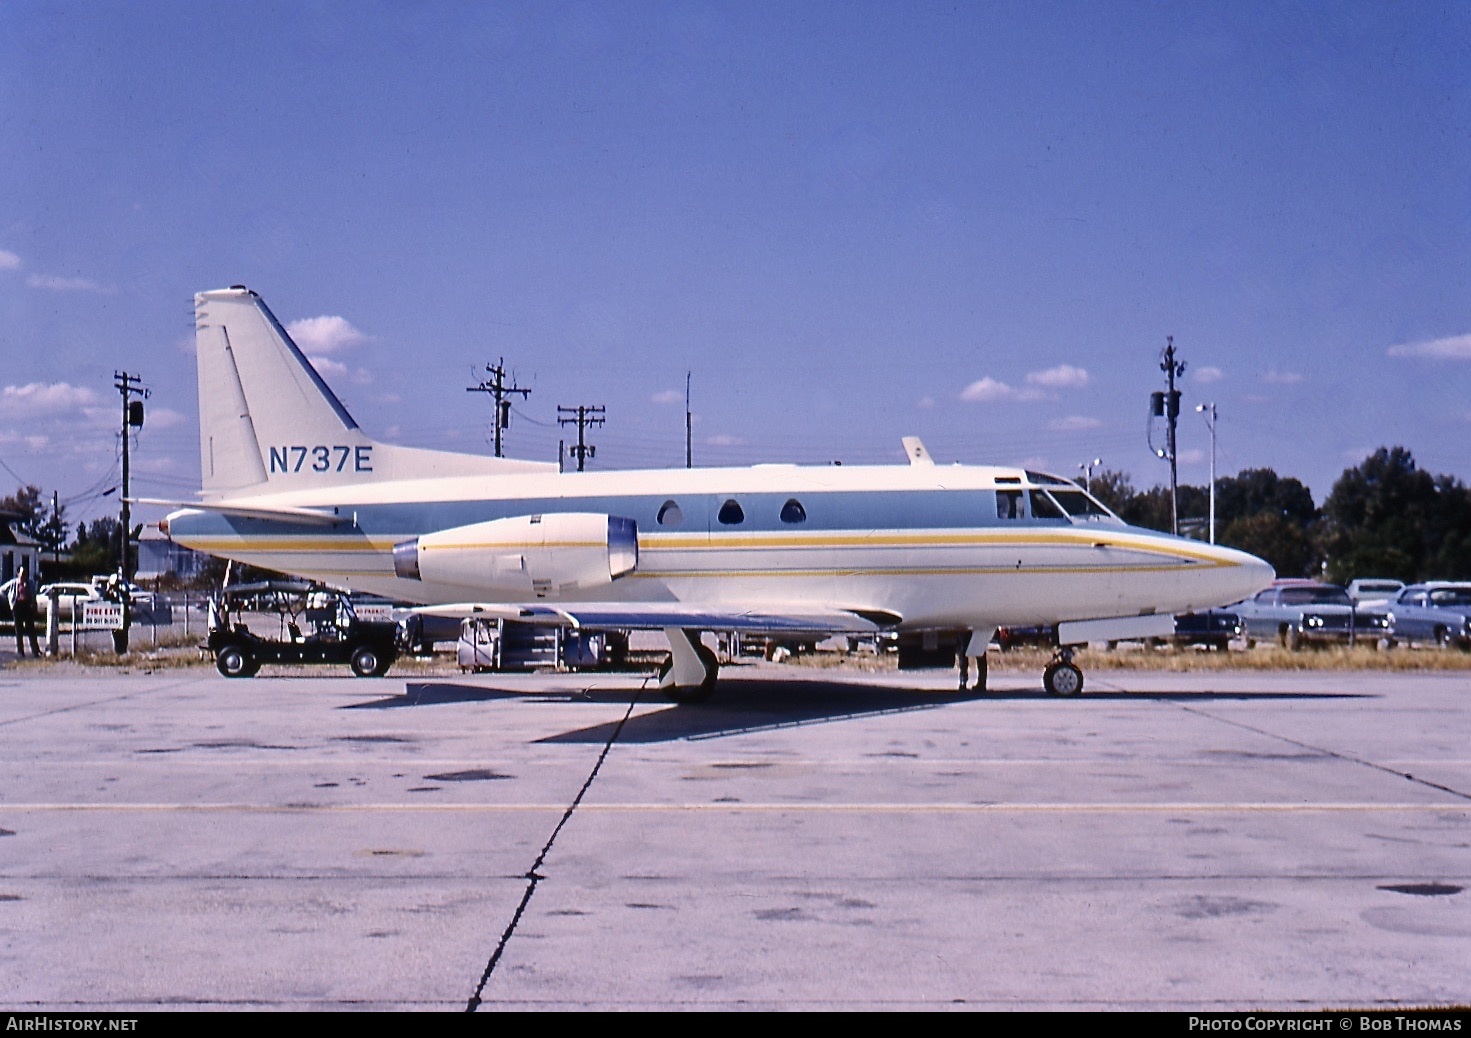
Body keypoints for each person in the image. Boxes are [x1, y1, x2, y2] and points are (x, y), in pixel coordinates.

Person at [9, 562, 42, 657]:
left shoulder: (30, 583)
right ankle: (20, 651)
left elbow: (33, 595)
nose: (24, 575)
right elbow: (4, 590)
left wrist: (33, 604)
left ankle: (35, 651)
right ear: (18, 574)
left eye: (25, 573)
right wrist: (12, 602)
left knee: (31, 629)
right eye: (22, 573)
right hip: (17, 607)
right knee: (18, 630)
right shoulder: (14, 583)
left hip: (27, 606)